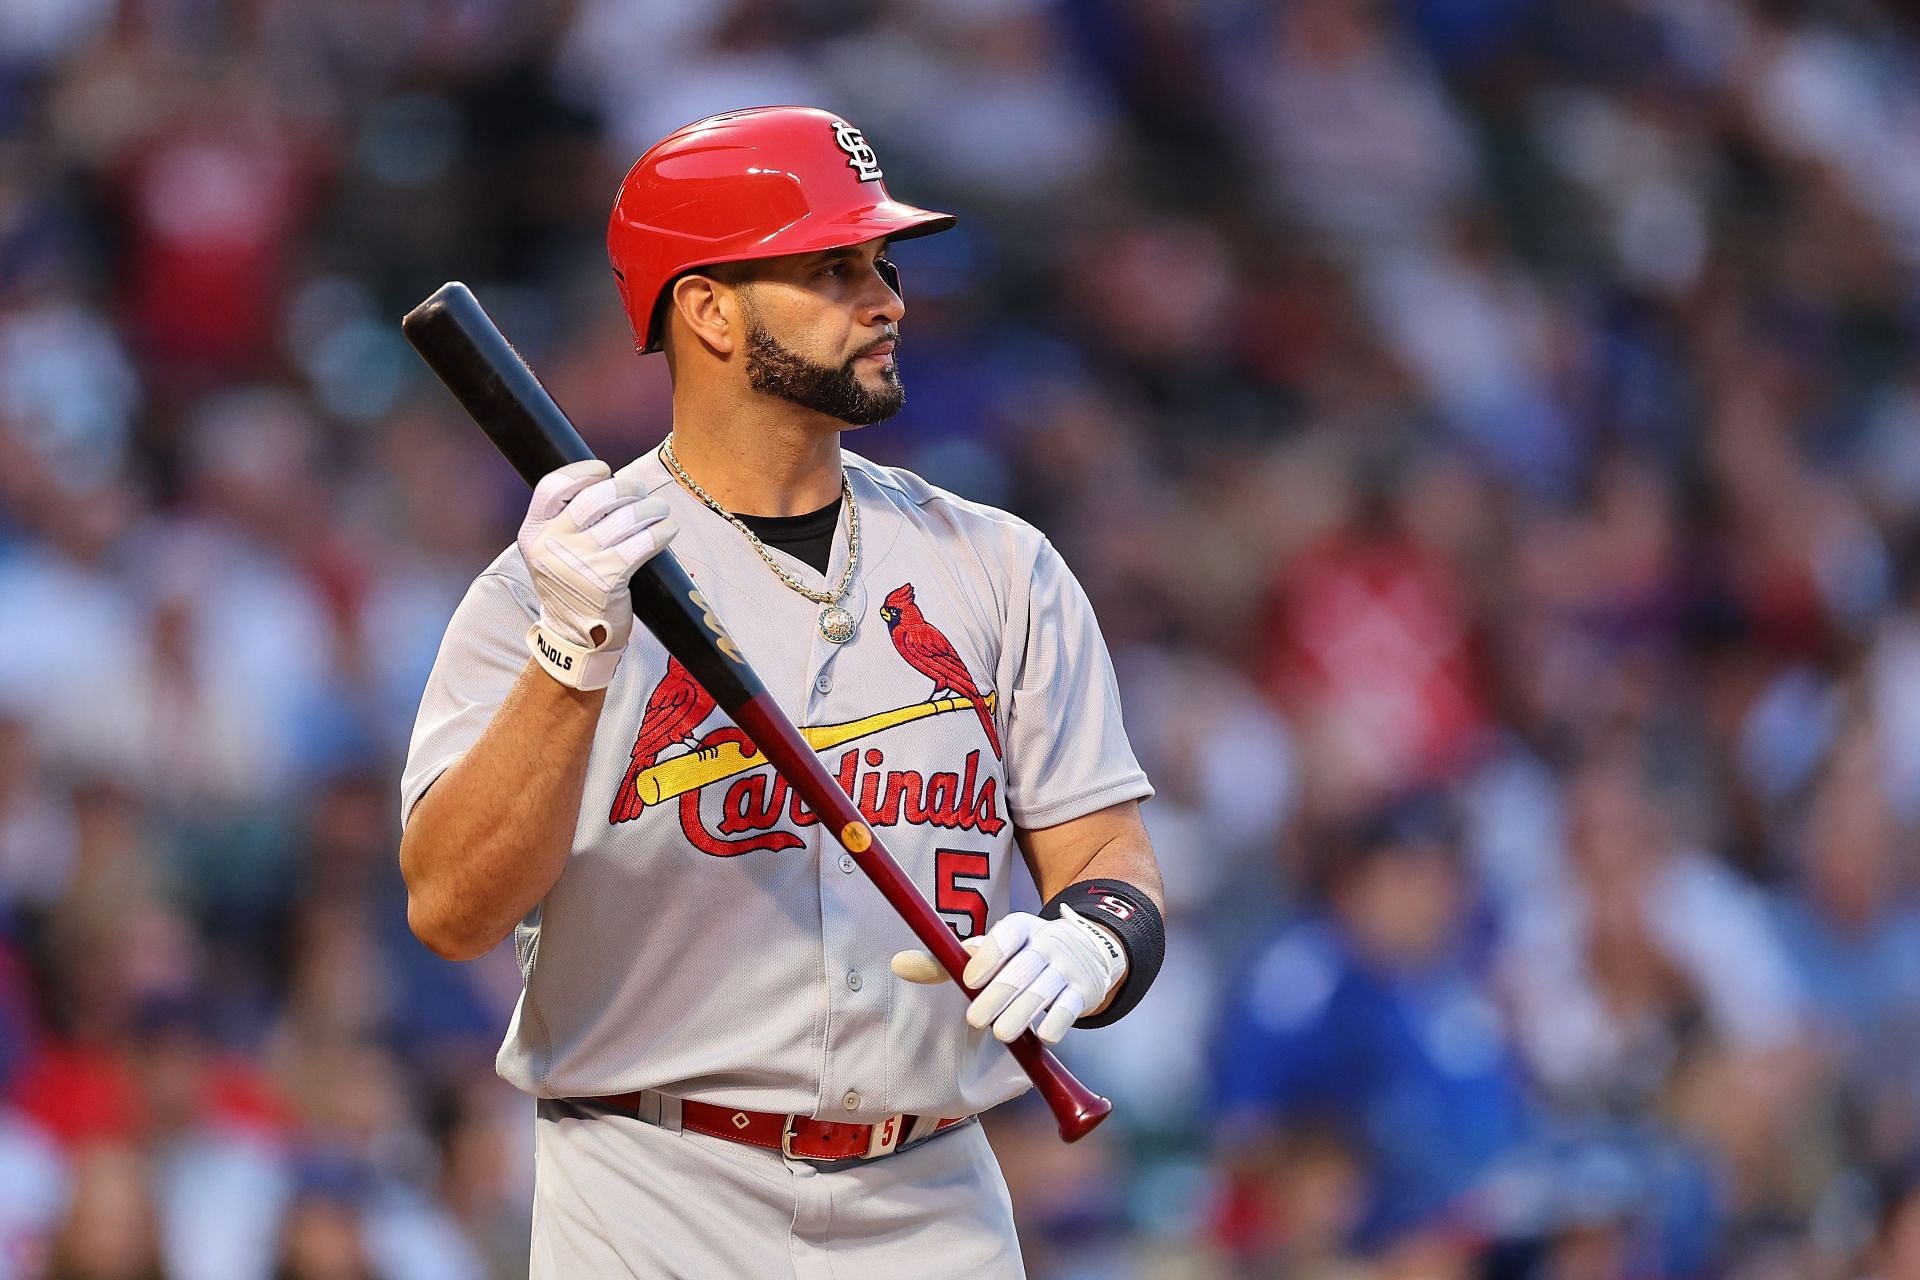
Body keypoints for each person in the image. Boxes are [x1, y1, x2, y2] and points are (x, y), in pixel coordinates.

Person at [397, 106, 1165, 1279]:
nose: (887, 298)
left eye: (882, 264)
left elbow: (1107, 850)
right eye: (832, 269)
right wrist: (573, 655)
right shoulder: (555, 583)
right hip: (653, 1195)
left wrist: (1095, 943)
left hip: (935, 1194)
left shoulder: (996, 563)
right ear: (707, 309)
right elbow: (451, 907)